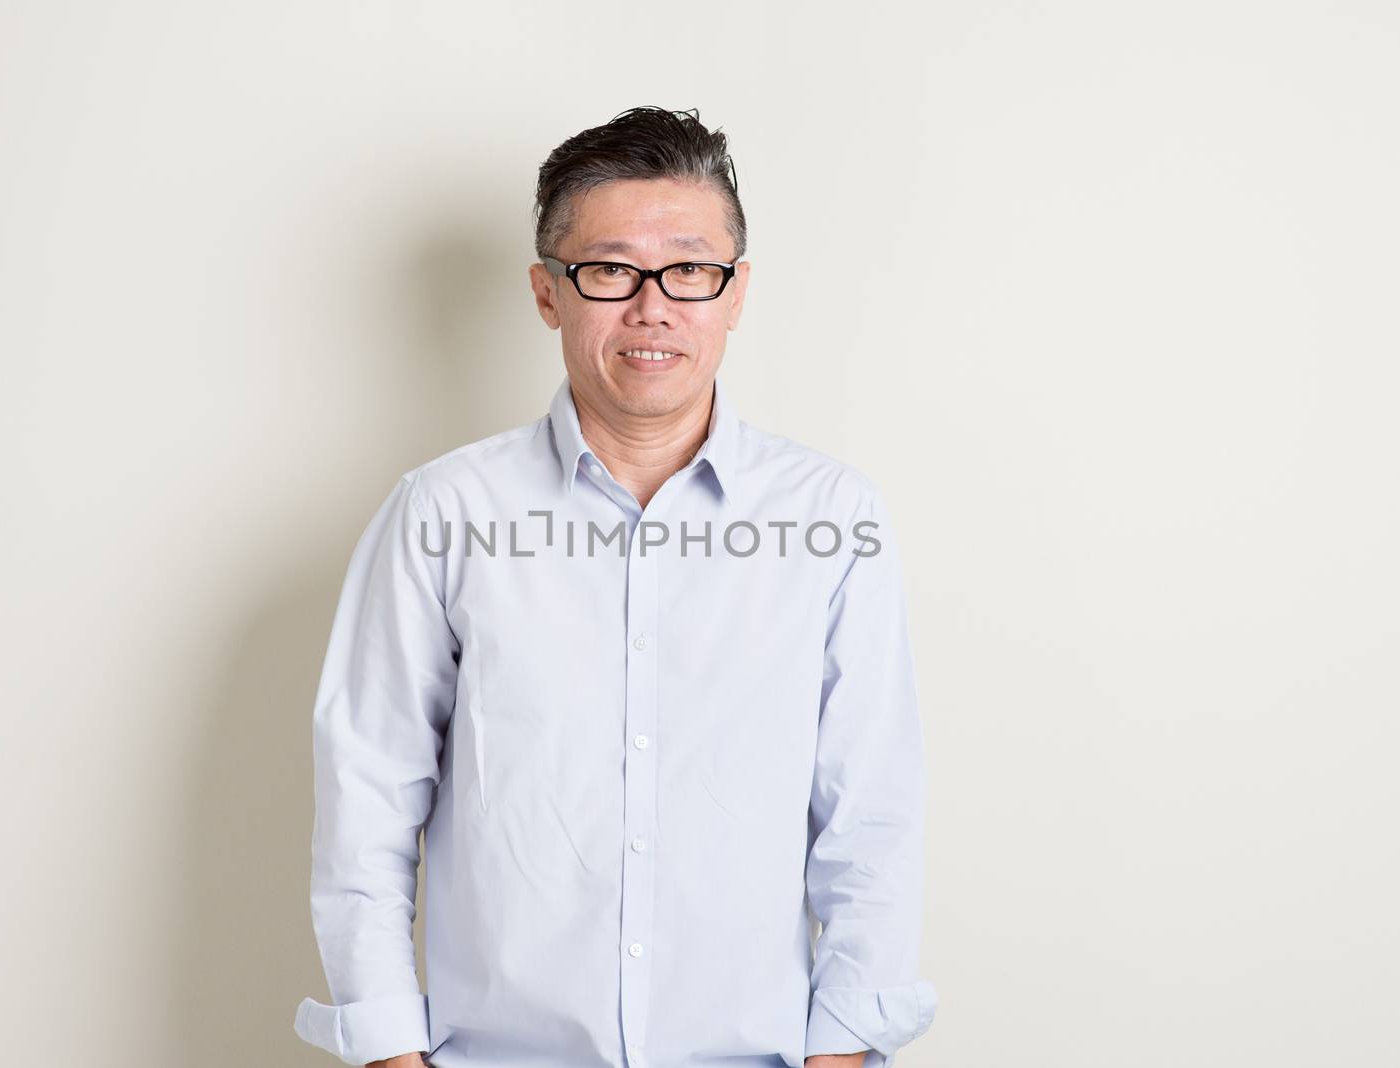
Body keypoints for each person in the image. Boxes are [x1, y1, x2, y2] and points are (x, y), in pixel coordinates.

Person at [292, 106, 937, 1068]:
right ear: (549, 293)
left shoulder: (834, 515)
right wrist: (389, 1050)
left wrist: (843, 1050)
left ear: (735, 293)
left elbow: (869, 809)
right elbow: (367, 799)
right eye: (609, 271)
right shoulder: (443, 512)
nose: (653, 306)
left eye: (689, 269)